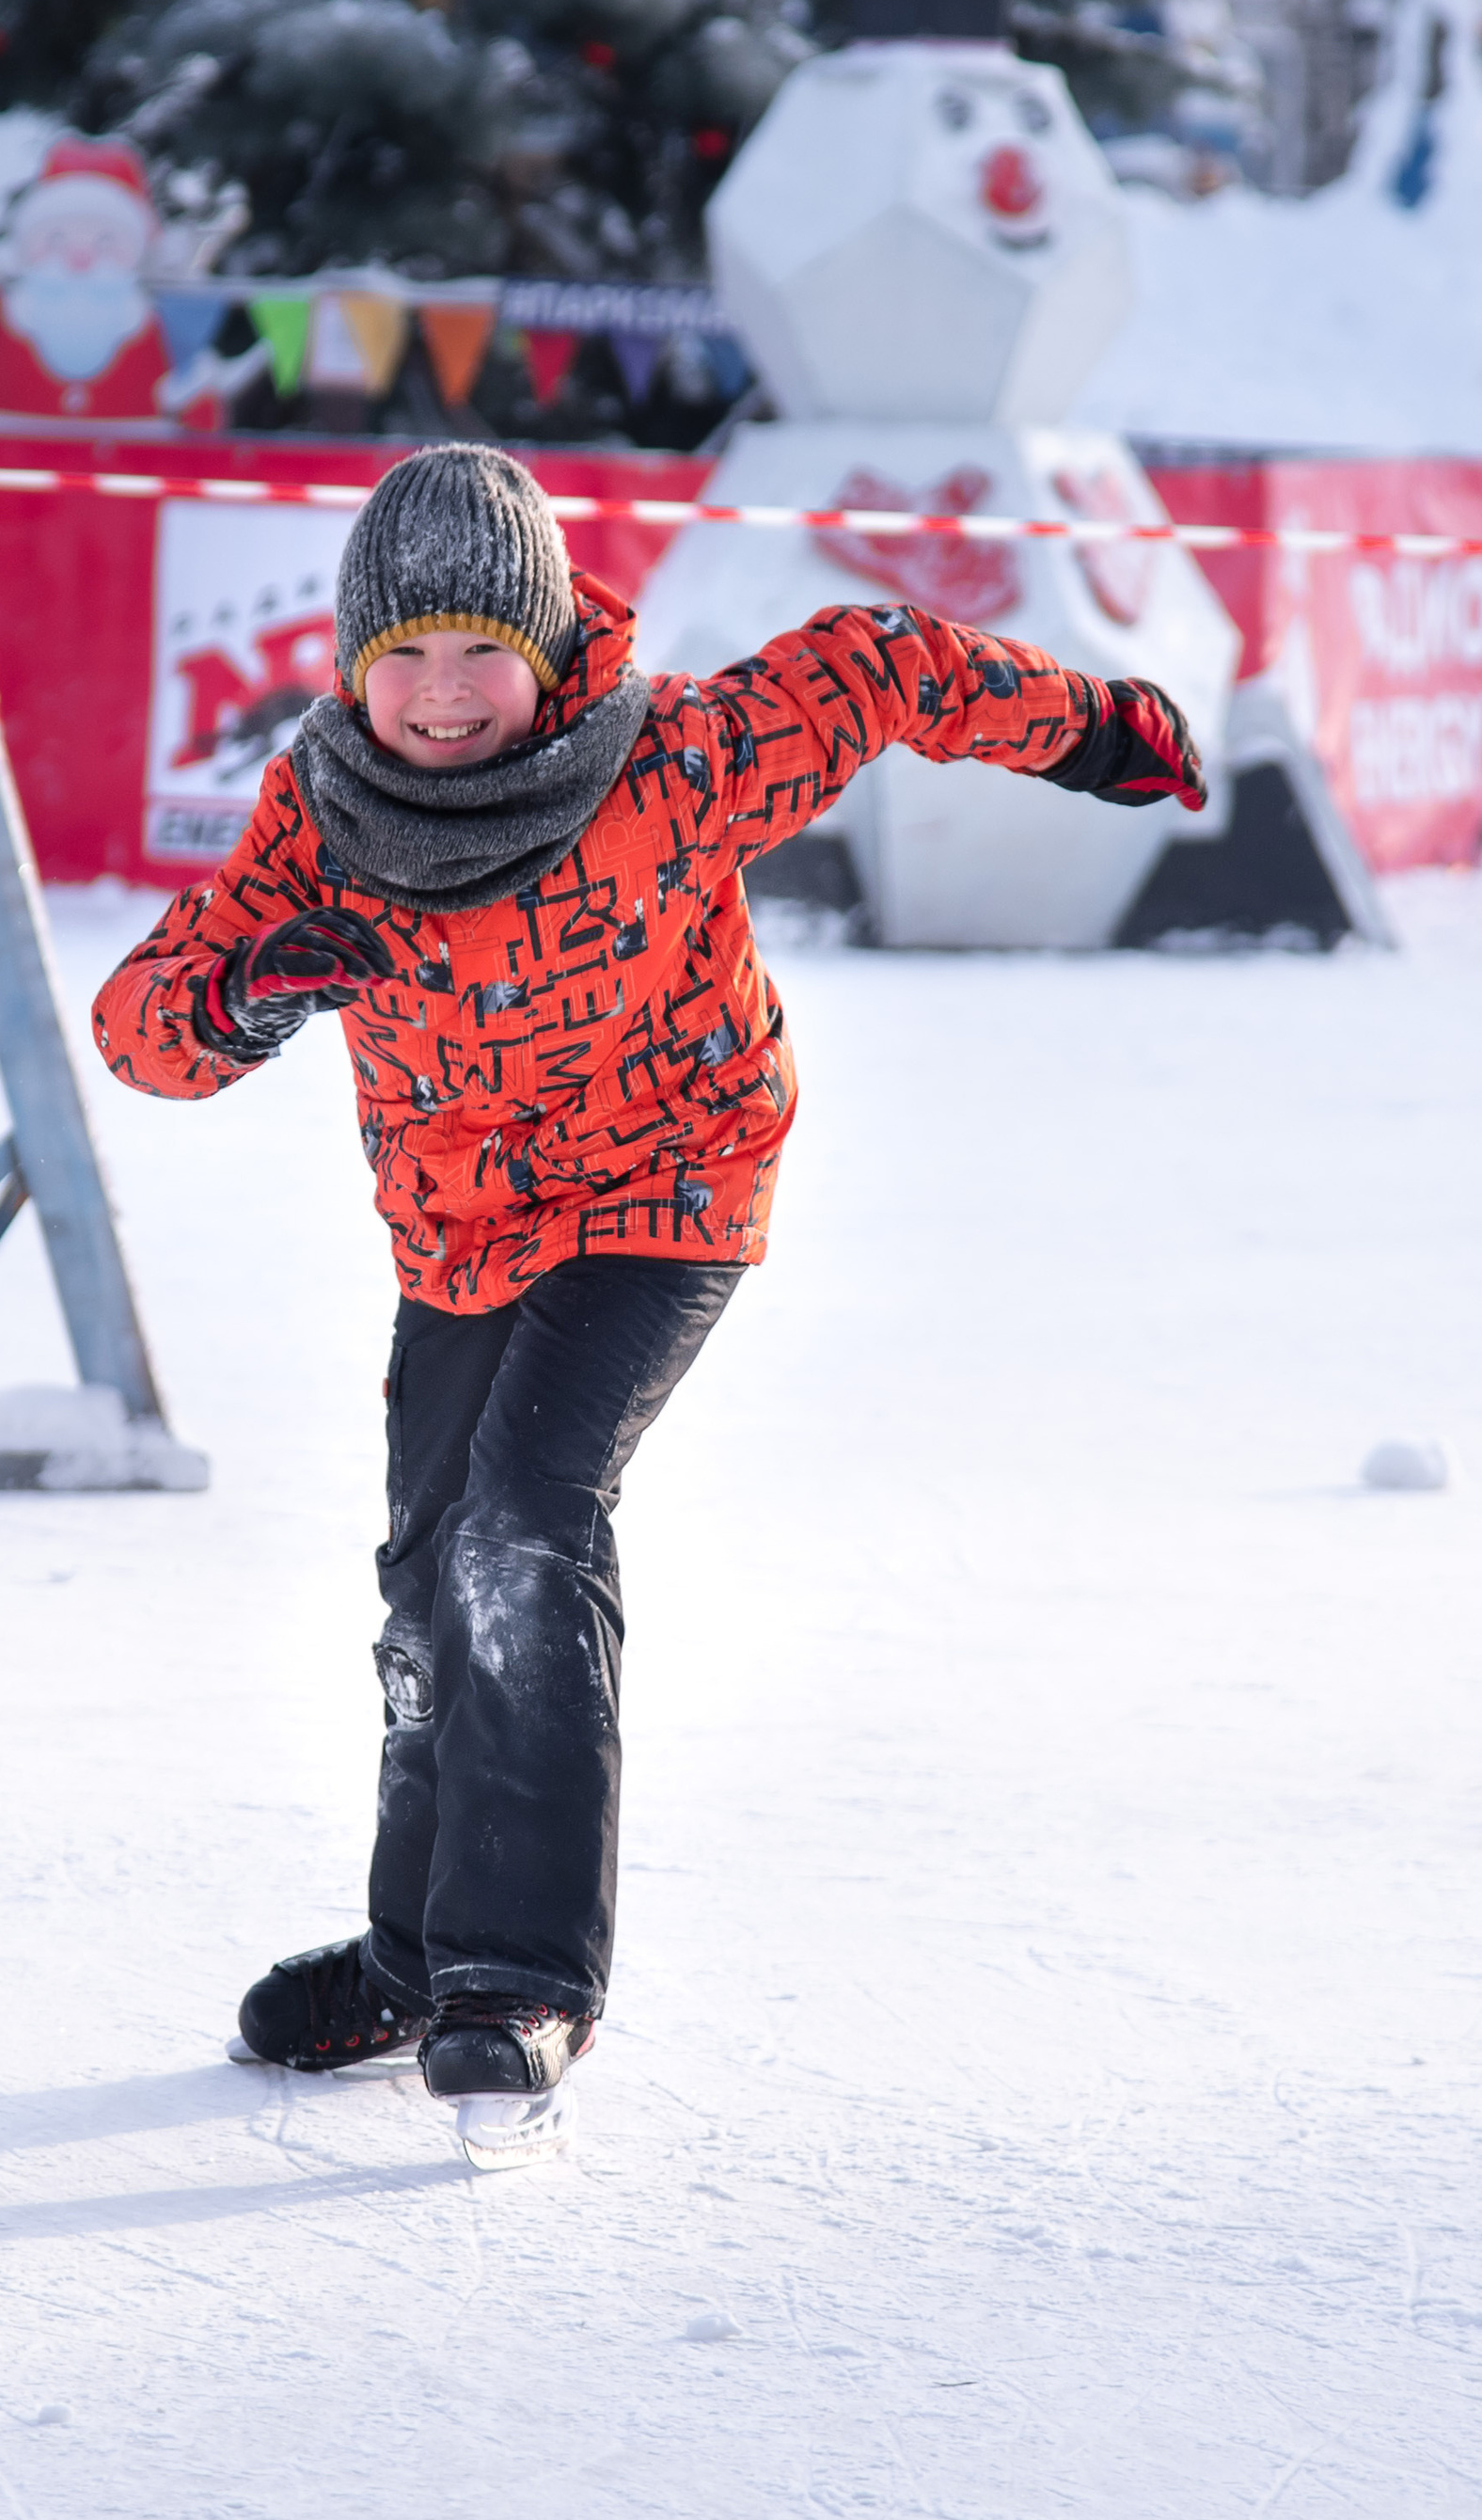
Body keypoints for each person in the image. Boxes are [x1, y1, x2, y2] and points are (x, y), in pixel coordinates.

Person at [88, 445, 1204, 2168]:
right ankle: (411, 1959)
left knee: (525, 1527)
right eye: (405, 654)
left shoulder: (671, 759)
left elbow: (878, 664)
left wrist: (1090, 724)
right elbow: (138, 1024)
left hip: (670, 1184)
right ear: (352, 664)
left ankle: (520, 1977)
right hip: (462, 1229)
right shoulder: (321, 817)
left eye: (482, 650)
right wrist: (244, 991)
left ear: (546, 651)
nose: (442, 693)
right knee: (426, 1577)